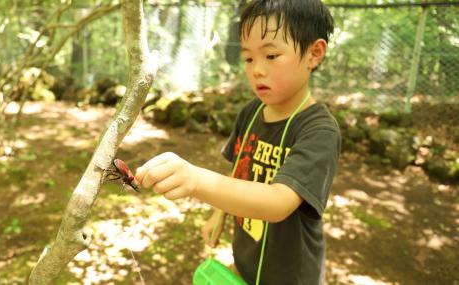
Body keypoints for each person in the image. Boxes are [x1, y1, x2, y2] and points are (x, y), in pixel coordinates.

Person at [135, 0, 340, 284]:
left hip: (292, 276)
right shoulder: (250, 112)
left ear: (314, 54)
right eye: (248, 58)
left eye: (271, 55)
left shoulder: (319, 130)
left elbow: (278, 202)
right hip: (247, 263)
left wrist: (196, 181)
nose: (256, 69)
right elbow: (238, 172)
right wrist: (219, 214)